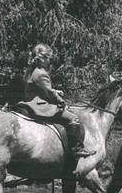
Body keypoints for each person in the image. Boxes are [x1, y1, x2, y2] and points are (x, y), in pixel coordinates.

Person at [22, 44, 93, 174]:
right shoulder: (41, 73)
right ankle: (75, 149)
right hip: (39, 105)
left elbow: (43, 89)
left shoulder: (32, 71)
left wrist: (55, 90)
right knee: (73, 118)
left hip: (32, 102)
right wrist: (62, 101)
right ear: (41, 59)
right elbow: (48, 94)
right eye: (48, 58)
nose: (49, 60)